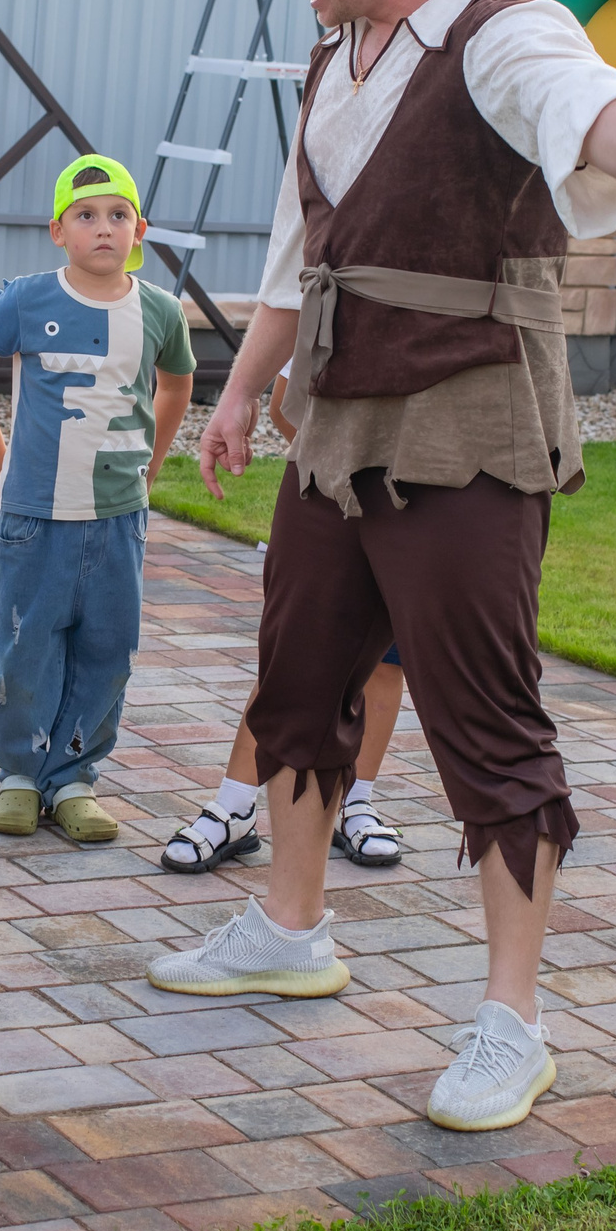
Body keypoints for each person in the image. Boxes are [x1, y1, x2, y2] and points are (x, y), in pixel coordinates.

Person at [145, 0, 616, 1135]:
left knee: (483, 713)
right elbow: (300, 244)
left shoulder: (498, 32)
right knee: (296, 679)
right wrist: (244, 387)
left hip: (472, 412)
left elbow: (588, 97)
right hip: (335, 412)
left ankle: (511, 1018)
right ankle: (290, 925)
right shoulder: (329, 55)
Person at [0, 155, 194, 843]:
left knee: (107, 648)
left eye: (118, 216)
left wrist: (152, 462)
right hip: (35, 516)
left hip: (118, 521)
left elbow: (175, 383)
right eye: (86, 217)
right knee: (26, 646)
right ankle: (21, 776)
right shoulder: (27, 299)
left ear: (139, 229)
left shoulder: (160, 310)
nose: (103, 229)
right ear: (58, 230)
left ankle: (75, 777)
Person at [163, 367, 404, 873]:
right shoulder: (329, 290)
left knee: (386, 663)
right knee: (294, 662)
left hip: (419, 499)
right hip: (333, 495)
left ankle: (355, 801)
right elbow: (282, 403)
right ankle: (235, 806)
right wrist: (339, 466)